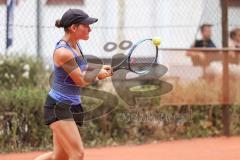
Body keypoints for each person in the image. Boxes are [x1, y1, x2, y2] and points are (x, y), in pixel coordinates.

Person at [34, 9, 112, 160]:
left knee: (59, 156)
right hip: (59, 107)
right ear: (73, 28)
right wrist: (97, 74)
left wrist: (99, 69)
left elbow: (80, 68)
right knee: (77, 154)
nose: (90, 28)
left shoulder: (76, 45)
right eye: (86, 25)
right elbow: (81, 80)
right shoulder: (63, 52)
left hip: (72, 105)